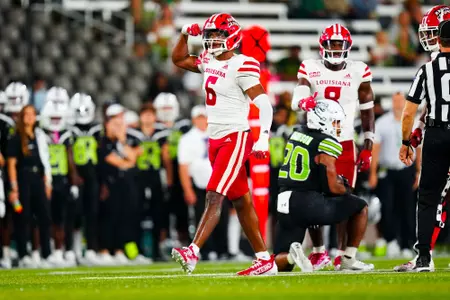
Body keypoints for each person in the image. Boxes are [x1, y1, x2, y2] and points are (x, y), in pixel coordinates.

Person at [171, 13, 277, 275]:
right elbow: (178, 58)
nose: (214, 40)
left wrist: (262, 137)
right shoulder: (208, 60)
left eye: (219, 35)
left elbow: (264, 104)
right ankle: (264, 259)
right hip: (216, 139)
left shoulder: (243, 65)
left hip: (236, 137)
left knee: (214, 194)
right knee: (241, 201)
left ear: (232, 36)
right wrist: (185, 33)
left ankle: (193, 251)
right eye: (210, 36)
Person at [292, 23, 375, 270]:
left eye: (340, 45)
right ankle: (318, 252)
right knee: (313, 195)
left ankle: (342, 255)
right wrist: (301, 101)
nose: (336, 49)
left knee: (344, 196)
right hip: (317, 140)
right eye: (332, 44)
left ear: (348, 47)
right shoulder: (310, 66)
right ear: (323, 46)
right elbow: (300, 90)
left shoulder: (359, 70)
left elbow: (367, 109)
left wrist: (368, 143)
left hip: (346, 141)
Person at [274, 99, 373, 272]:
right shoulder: (326, 142)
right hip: (306, 203)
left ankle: (292, 256)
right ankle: (348, 258)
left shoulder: (296, 133)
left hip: (284, 202)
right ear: (322, 120)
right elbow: (332, 187)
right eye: (335, 122)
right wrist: (345, 187)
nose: (338, 127)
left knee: (279, 262)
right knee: (361, 207)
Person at [395, 4, 450, 272]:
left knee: (429, 198)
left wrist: (407, 142)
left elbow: (409, 112)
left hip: (438, 134)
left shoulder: (427, 70)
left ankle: (424, 259)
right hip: (436, 127)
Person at [368, 93, 417, 258]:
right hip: (387, 170)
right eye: (395, 101)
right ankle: (391, 241)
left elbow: (420, 148)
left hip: (407, 170)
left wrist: (419, 171)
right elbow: (376, 149)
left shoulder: (414, 121)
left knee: (407, 208)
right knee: (387, 207)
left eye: (400, 101)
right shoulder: (382, 123)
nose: (397, 104)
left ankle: (406, 244)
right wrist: (373, 173)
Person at [178, 105, 229, 260]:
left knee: (222, 217)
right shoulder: (187, 139)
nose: (202, 121)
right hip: (200, 185)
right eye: (199, 117)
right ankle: (206, 251)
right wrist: (187, 189)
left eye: (204, 117)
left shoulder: (217, 135)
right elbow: (183, 166)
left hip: (219, 184)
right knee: (202, 219)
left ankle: (223, 250)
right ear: (194, 119)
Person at [97, 104, 143, 265]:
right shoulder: (102, 141)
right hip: (108, 184)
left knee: (125, 217)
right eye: (115, 122)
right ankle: (104, 250)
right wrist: (127, 159)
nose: (119, 126)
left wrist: (123, 141)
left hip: (125, 184)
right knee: (109, 218)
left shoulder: (126, 139)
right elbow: (118, 162)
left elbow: (132, 159)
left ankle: (119, 250)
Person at [7, 105, 52, 268]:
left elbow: (44, 160)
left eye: (33, 114)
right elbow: (12, 164)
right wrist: (14, 187)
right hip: (23, 178)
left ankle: (45, 253)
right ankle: (22, 253)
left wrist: (47, 181)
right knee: (23, 217)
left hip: (38, 178)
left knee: (44, 216)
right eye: (27, 114)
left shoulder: (38, 136)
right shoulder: (16, 137)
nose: (30, 117)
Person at [40, 94, 81, 267]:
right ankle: (47, 251)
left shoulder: (65, 135)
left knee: (63, 218)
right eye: (53, 117)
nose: (56, 120)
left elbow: (70, 159)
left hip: (62, 180)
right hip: (45, 179)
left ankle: (62, 250)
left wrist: (73, 182)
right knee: (44, 217)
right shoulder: (40, 133)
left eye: (58, 117)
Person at [69, 93, 102, 265]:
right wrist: (73, 175)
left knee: (93, 213)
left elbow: (101, 153)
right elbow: (69, 153)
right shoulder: (70, 128)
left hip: (93, 175)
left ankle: (91, 249)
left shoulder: (96, 129)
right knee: (76, 213)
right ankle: (74, 249)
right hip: (77, 176)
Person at [135, 103, 170, 262]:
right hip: (139, 177)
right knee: (138, 212)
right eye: (145, 114)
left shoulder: (161, 133)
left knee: (158, 214)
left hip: (155, 175)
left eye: (151, 114)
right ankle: (139, 250)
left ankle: (156, 250)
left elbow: (166, 156)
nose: (148, 118)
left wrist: (169, 177)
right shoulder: (133, 133)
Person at [0, 82, 29, 269]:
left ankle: (20, 250)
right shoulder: (3, 122)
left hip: (21, 175)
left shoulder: (29, 121)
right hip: (5, 174)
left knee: (20, 213)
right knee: (4, 214)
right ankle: (4, 251)